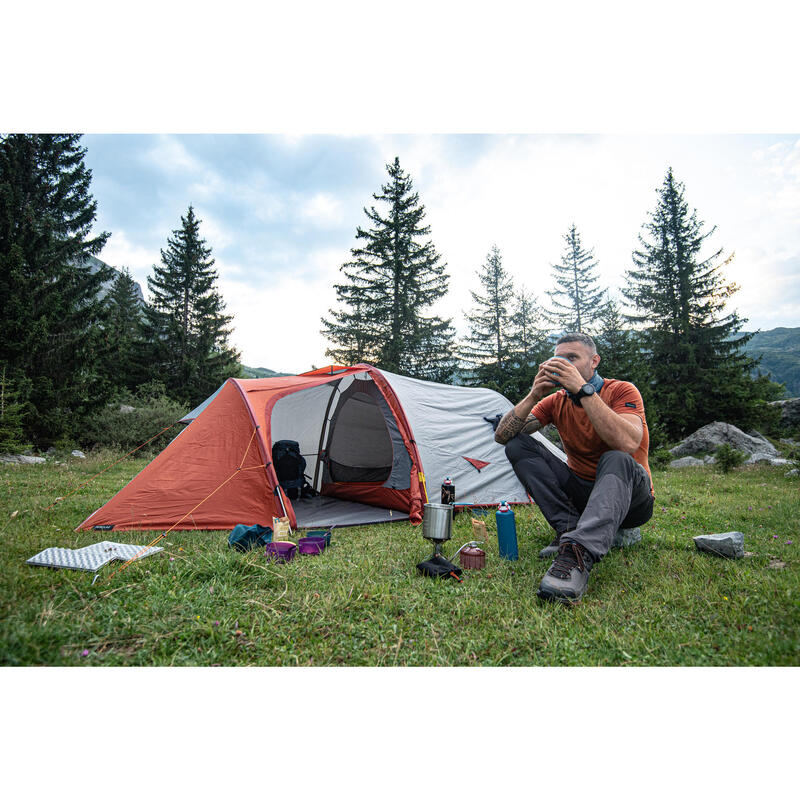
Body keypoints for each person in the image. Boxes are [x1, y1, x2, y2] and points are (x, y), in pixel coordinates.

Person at [494, 332, 654, 602]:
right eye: (558, 358)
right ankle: (568, 529)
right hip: (582, 492)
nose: (563, 364)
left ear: (594, 361)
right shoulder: (557, 401)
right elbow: (502, 436)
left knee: (616, 457)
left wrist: (583, 390)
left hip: (631, 498)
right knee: (517, 445)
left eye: (571, 358)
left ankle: (577, 553)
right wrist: (534, 394)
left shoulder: (621, 390)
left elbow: (627, 442)